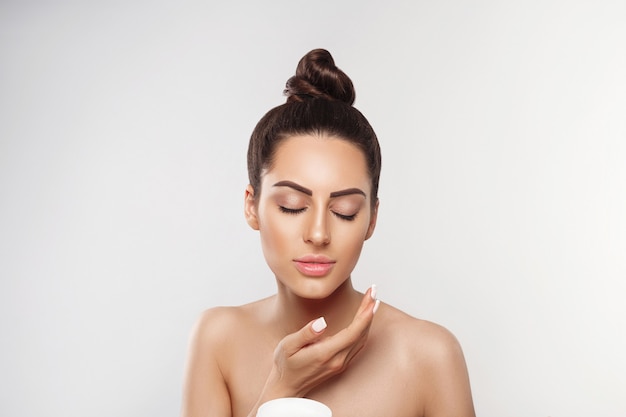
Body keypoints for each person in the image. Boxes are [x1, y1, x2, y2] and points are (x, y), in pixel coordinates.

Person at [181, 49, 475, 417]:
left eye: (344, 211)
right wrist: (282, 389)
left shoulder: (430, 356)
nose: (318, 233)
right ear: (252, 206)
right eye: (292, 206)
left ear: (371, 219)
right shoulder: (218, 340)